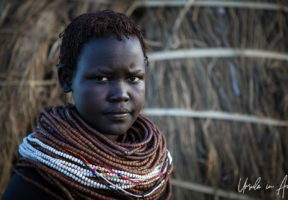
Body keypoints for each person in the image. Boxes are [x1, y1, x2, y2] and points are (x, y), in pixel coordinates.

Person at [2, 10, 173, 200]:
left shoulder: (154, 172)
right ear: (67, 79)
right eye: (102, 78)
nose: (121, 95)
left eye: (133, 78)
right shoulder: (40, 179)